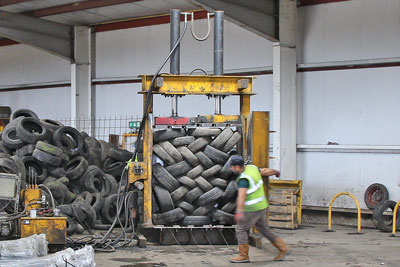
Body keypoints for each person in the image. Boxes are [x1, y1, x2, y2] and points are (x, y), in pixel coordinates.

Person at [229, 155, 289, 263]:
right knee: (264, 230)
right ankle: (283, 248)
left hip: (252, 209)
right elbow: (265, 171)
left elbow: (241, 196)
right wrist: (275, 172)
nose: (231, 169)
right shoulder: (252, 168)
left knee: (240, 229)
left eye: (232, 167)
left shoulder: (243, 179)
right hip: (262, 206)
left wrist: (238, 212)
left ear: (237, 167)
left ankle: (243, 255)